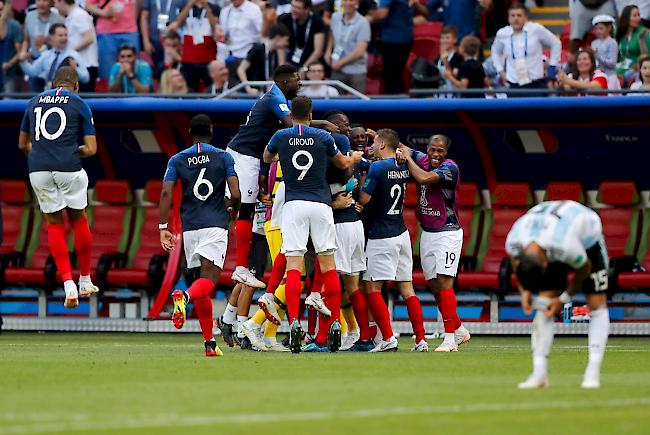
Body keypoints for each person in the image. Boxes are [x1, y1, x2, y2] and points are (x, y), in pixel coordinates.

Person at [263, 95, 363, 353]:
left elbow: (266, 157)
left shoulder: (281, 136)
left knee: (294, 264)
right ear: (311, 114)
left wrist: (280, 155)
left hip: (294, 205)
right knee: (328, 264)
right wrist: (355, 157)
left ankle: (295, 321)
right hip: (320, 205)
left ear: (291, 113)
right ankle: (334, 324)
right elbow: (342, 163)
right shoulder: (324, 138)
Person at [159, 114, 240, 357]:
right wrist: (233, 212)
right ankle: (183, 296)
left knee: (200, 285)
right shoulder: (224, 156)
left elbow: (165, 193)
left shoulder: (177, 159)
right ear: (211, 131)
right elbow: (235, 193)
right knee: (208, 282)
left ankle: (209, 343)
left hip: (191, 228)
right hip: (215, 225)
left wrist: (163, 227)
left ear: (190, 132)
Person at [506, 200, 610, 389]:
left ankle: (592, 373)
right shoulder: (514, 241)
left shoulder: (566, 246)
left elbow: (583, 268)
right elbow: (515, 263)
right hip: (548, 233)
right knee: (545, 305)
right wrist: (525, 291)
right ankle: (539, 375)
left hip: (586, 237)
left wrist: (563, 299)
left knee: (596, 303)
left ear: (546, 264)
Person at [18, 66, 99, 309]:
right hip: (68, 167)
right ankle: (84, 279)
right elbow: (92, 149)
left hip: (38, 168)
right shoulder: (78, 102)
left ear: (53, 83)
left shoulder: (33, 101)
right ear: (75, 85)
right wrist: (70, 152)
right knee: (78, 219)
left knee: (53, 224)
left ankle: (67, 284)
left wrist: (43, 155)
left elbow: (23, 144)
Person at [225, 64, 300, 289]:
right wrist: (325, 126)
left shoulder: (275, 99)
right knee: (244, 210)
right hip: (244, 156)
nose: (301, 83)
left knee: (245, 208)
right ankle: (240, 268)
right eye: (297, 79)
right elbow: (294, 126)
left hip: (250, 159)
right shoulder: (274, 97)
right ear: (285, 81)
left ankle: (240, 272)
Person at [359, 128, 428, 353]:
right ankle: (420, 340)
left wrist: (361, 177)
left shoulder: (377, 167)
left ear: (381, 145)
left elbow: (365, 199)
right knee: (407, 289)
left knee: (372, 287)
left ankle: (388, 337)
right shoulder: (403, 164)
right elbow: (411, 155)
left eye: (375, 142)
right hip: (401, 233)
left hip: (381, 235)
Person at [400, 134, 470, 352]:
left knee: (445, 283)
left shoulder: (450, 168)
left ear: (446, 152)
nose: (436, 154)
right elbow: (407, 150)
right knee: (434, 286)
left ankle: (450, 339)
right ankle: (458, 329)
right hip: (428, 233)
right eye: (433, 150)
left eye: (440, 150)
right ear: (428, 149)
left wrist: (408, 160)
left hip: (447, 233)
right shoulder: (422, 159)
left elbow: (423, 178)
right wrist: (382, 138)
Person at [491, 3, 561, 96]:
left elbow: (555, 43)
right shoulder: (502, 33)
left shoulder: (536, 29)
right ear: (508, 18)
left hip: (536, 84)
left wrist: (552, 66)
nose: (516, 18)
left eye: (519, 15)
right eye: (513, 15)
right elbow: (495, 51)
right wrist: (500, 70)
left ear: (525, 17)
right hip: (514, 85)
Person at [19, 23, 89, 90]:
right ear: (51, 37)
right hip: (49, 95)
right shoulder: (46, 55)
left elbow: (86, 78)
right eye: (60, 35)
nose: (64, 38)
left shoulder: (73, 55)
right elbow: (33, 72)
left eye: (66, 35)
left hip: (66, 96)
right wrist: (23, 61)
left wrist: (75, 70)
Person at [85, 0, 140, 81]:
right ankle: (109, 92)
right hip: (106, 33)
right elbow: (87, 5)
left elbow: (138, 5)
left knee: (134, 69)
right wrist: (103, 12)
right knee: (108, 72)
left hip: (130, 31)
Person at [170, 0, 218, 91]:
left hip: (207, 57)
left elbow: (214, 27)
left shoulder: (213, 7)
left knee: (210, 87)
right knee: (189, 87)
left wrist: (206, 7)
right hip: (189, 57)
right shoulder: (185, 7)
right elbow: (179, 23)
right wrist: (189, 5)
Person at [325, 0, 371, 94]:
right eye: (345, 0)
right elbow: (332, 35)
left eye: (351, 0)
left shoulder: (363, 23)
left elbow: (360, 51)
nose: (348, 3)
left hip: (356, 71)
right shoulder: (335, 17)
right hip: (337, 68)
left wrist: (340, 63)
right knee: (335, 102)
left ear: (357, 3)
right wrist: (328, 51)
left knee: (358, 105)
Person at [55, 0, 99, 92]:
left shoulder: (79, 15)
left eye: (55, 3)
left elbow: (89, 38)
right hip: (78, 65)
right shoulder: (72, 16)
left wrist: (69, 53)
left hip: (86, 65)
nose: (55, 7)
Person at [22, 0, 65, 93]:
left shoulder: (59, 20)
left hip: (51, 63)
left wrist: (47, 41)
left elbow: (63, 42)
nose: (41, 3)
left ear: (51, 2)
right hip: (34, 60)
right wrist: (23, 52)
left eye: (45, 0)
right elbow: (26, 39)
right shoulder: (29, 16)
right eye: (39, 0)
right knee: (33, 95)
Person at [372, 0, 414, 94]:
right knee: (394, 76)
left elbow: (381, 14)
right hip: (401, 38)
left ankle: (396, 105)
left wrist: (364, 18)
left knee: (392, 77)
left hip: (394, 40)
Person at [236, 22, 290, 94]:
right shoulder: (258, 49)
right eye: (286, 40)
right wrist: (248, 88)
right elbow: (241, 69)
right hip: (249, 94)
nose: (287, 44)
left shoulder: (275, 53)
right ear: (278, 38)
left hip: (263, 93)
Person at [278, 0, 325, 73]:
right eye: (292, 6)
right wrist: (282, 66)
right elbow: (280, 45)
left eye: (297, 8)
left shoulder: (316, 21)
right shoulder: (284, 19)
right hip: (289, 60)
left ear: (307, 9)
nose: (293, 9)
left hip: (310, 62)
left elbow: (318, 51)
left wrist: (304, 68)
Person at [140, 0, 184, 69]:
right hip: (155, 39)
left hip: (174, 41)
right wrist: (146, 41)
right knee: (158, 68)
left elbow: (186, 13)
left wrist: (177, 23)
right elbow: (144, 17)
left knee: (174, 67)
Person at [217, 0, 262, 68]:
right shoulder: (225, 11)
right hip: (230, 55)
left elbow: (262, 31)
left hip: (248, 57)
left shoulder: (253, 9)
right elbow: (222, 33)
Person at [616, 5, 650, 84]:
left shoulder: (644, 32)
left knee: (625, 76)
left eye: (638, 15)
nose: (638, 18)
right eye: (634, 16)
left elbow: (647, 55)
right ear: (626, 17)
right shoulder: (621, 33)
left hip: (636, 68)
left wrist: (641, 40)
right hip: (622, 66)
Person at [590, 14, 620, 92]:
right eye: (596, 29)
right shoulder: (594, 43)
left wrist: (597, 56)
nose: (598, 31)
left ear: (609, 28)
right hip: (597, 76)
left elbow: (612, 63)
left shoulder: (612, 43)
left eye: (601, 28)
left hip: (609, 76)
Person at [0, 0, 24, 94]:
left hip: (11, 74)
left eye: (1, 9)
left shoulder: (14, 25)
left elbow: (20, 52)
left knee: (8, 101)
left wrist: (8, 64)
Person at [435, 25, 464, 94]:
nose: (444, 40)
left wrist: (445, 62)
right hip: (439, 95)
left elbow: (455, 77)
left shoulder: (458, 58)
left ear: (455, 40)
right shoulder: (437, 59)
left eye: (447, 38)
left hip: (453, 97)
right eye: (442, 38)